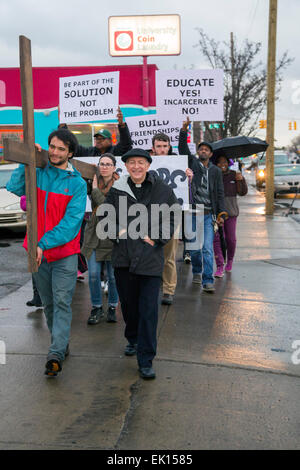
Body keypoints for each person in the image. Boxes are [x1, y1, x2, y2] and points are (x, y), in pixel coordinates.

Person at [6, 129, 87, 377]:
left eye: (61, 148)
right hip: (37, 253)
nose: (54, 152)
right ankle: (61, 342)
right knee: (49, 304)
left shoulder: (77, 184)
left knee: (62, 301)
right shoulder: (39, 172)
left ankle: (55, 353)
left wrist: (43, 243)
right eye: (52, 146)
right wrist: (27, 162)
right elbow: (14, 187)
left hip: (63, 254)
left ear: (70, 153)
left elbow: (71, 224)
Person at [102, 148, 180, 379]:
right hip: (123, 258)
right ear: (125, 167)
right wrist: (119, 233)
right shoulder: (117, 190)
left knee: (149, 311)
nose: (136, 166)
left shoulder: (162, 190)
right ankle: (133, 337)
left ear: (148, 165)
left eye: (141, 162)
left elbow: (173, 215)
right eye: (131, 163)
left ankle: (146, 358)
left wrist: (157, 237)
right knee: (129, 306)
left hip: (149, 259)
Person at [179, 120, 227, 292]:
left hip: (208, 214)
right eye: (201, 149)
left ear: (211, 153)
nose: (203, 151)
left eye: (206, 149)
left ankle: (208, 280)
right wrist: (184, 130)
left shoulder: (215, 171)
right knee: (193, 248)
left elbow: (220, 193)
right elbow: (182, 148)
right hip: (192, 212)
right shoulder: (192, 163)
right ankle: (197, 271)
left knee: (207, 248)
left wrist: (221, 212)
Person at [81, 153, 119, 324]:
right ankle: (96, 307)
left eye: (108, 164)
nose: (104, 167)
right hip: (94, 234)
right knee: (94, 275)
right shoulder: (91, 182)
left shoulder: (121, 186)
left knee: (113, 277)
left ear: (114, 167)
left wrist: (96, 190)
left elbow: (106, 209)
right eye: (101, 163)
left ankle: (112, 306)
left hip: (113, 236)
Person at [151, 133, 180, 306]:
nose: (162, 149)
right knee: (152, 255)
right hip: (150, 217)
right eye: (159, 146)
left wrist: (189, 178)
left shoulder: (178, 164)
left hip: (171, 216)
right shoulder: (144, 164)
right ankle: (155, 285)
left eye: (165, 146)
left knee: (169, 256)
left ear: (169, 147)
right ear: (153, 148)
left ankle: (169, 290)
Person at [213, 155, 248, 277]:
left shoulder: (234, 174)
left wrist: (241, 180)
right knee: (216, 240)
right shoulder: (213, 174)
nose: (222, 164)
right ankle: (219, 265)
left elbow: (242, 192)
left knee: (230, 239)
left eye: (225, 162)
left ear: (228, 163)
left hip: (231, 212)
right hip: (216, 213)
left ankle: (230, 259)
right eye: (219, 162)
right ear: (216, 164)